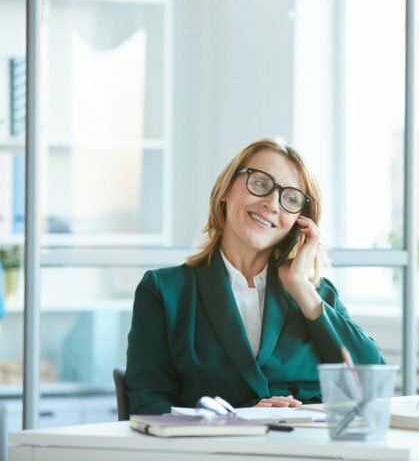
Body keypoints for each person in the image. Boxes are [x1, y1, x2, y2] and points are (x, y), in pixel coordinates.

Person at [125, 138, 385, 415]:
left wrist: (302, 289)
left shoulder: (316, 295)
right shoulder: (164, 291)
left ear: (299, 222)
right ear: (225, 189)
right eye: (260, 184)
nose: (272, 204)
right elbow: (147, 406)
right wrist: (241, 418)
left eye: (291, 199)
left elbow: (373, 383)